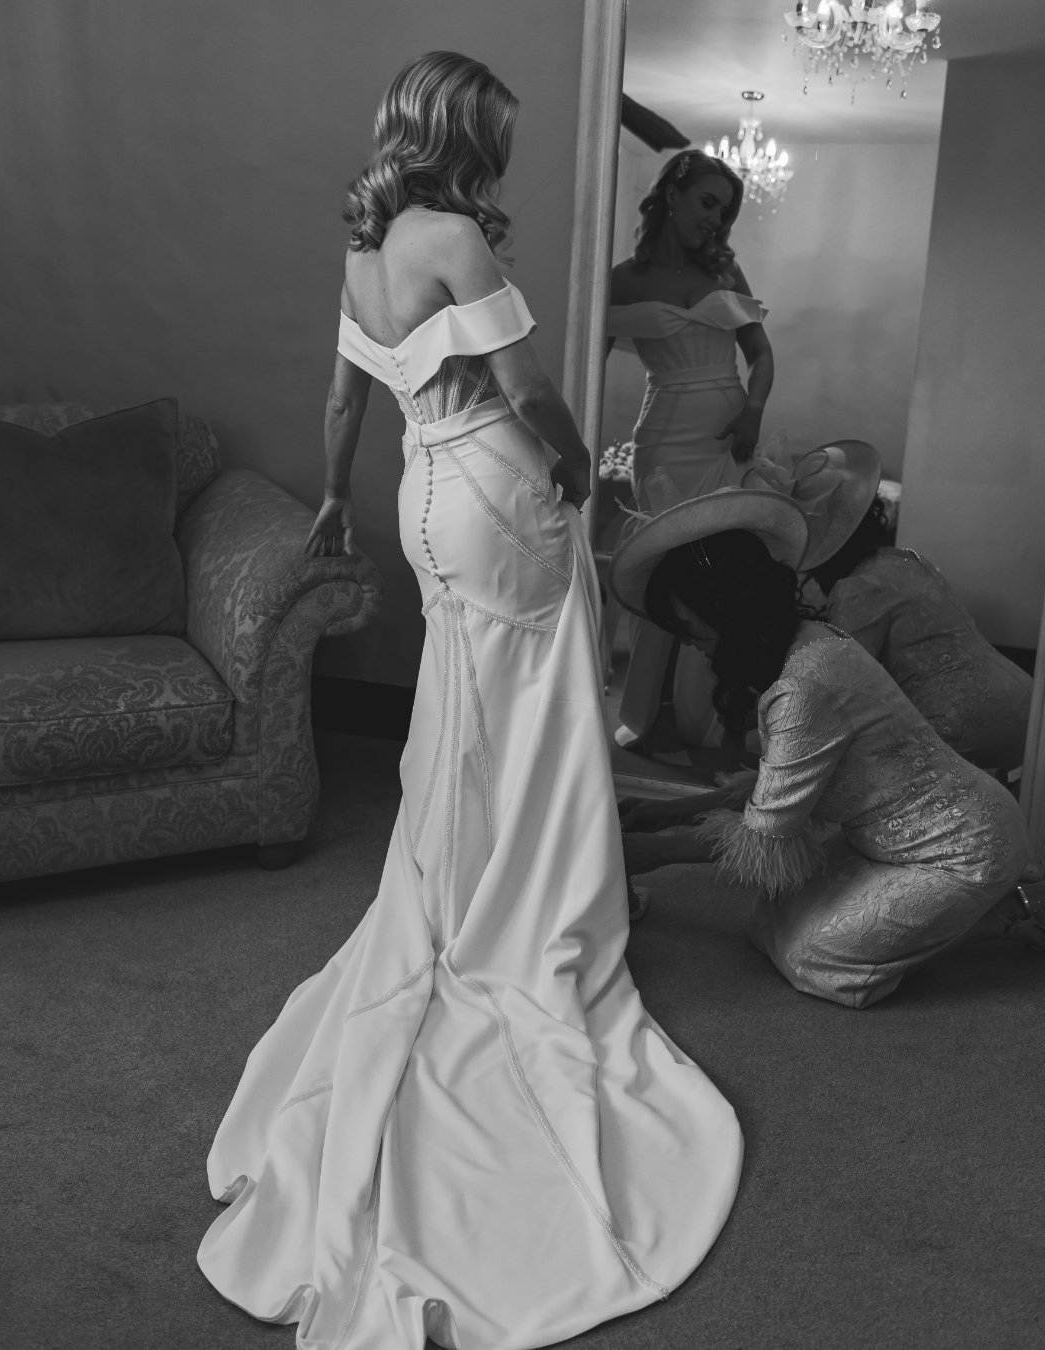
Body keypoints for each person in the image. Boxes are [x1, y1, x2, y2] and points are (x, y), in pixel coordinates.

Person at [196, 52, 742, 1350]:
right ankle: (521, 910)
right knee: (536, 711)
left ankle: (462, 896)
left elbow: (344, 397)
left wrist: (337, 498)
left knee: (463, 718)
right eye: (494, 131)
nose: (501, 152)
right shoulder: (452, 237)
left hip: (422, 499)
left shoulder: (366, 251)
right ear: (458, 133)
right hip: (498, 490)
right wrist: (583, 475)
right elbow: (532, 393)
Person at [609, 487, 1035, 1010]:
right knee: (769, 920)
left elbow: (766, 837)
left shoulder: (803, 687)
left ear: (721, 610)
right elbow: (778, 787)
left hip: (965, 850)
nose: (685, 639)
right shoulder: (810, 635)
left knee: (809, 955)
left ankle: (996, 905)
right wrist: (668, 812)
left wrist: (654, 853)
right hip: (886, 836)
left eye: (685, 625)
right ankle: (965, 906)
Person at [606, 149, 775, 753]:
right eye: (707, 202)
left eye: (724, 212)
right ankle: (649, 714)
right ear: (672, 194)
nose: (715, 220)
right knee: (663, 567)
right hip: (662, 432)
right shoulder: (623, 279)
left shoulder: (726, 271)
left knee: (726, 568)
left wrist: (754, 409)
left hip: (728, 433)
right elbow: (587, 360)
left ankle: (718, 717)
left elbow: (761, 355)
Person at [747, 444, 1035, 778]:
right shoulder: (908, 560)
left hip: (967, 727)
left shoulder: (856, 590)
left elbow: (838, 695)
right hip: (1026, 706)